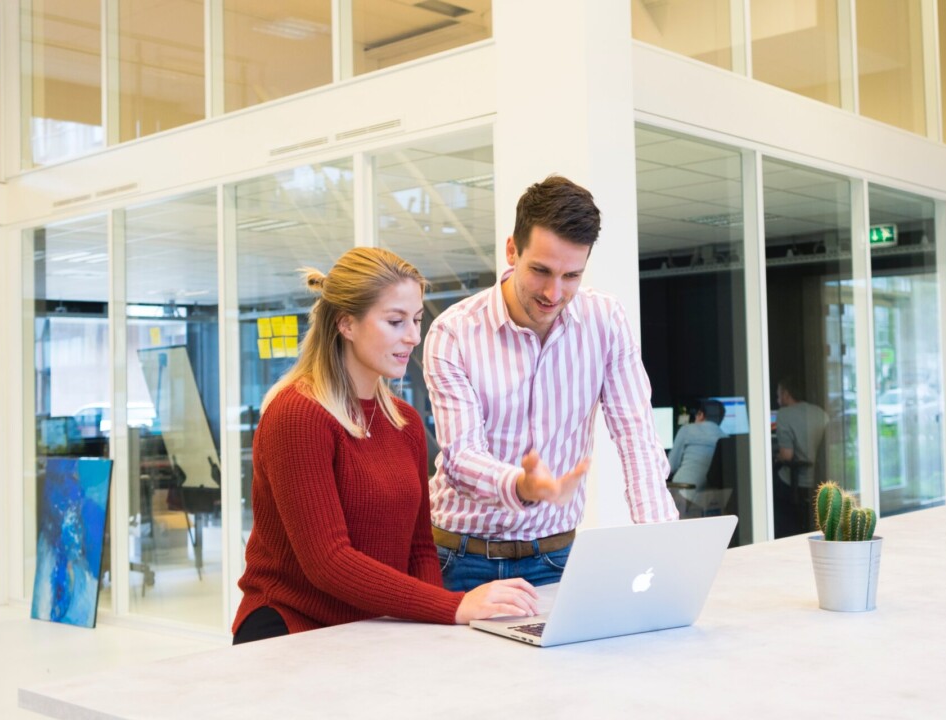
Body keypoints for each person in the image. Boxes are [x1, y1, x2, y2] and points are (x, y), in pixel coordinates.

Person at [230, 248, 539, 645]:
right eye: (395, 321)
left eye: (416, 319)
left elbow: (420, 550)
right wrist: (453, 606)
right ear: (346, 323)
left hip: (373, 629)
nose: (413, 336)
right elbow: (328, 562)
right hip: (293, 630)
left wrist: (436, 627)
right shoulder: (297, 415)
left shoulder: (404, 422)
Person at [424, 176, 678, 593]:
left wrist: (662, 544)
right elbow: (461, 457)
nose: (553, 292)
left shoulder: (605, 321)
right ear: (512, 250)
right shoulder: (453, 333)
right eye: (540, 271)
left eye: (571, 276)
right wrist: (520, 485)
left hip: (555, 556)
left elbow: (636, 436)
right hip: (459, 559)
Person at [773, 376, 829, 536]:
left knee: (769, 482)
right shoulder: (820, 412)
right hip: (819, 480)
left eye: (778, 393)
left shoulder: (784, 414)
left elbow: (787, 455)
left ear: (786, 394)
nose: (777, 398)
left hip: (797, 483)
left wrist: (777, 457)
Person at [668, 399, 727, 491]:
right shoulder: (724, 437)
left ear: (701, 415)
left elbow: (671, 466)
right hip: (710, 494)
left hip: (683, 489)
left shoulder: (687, 429)